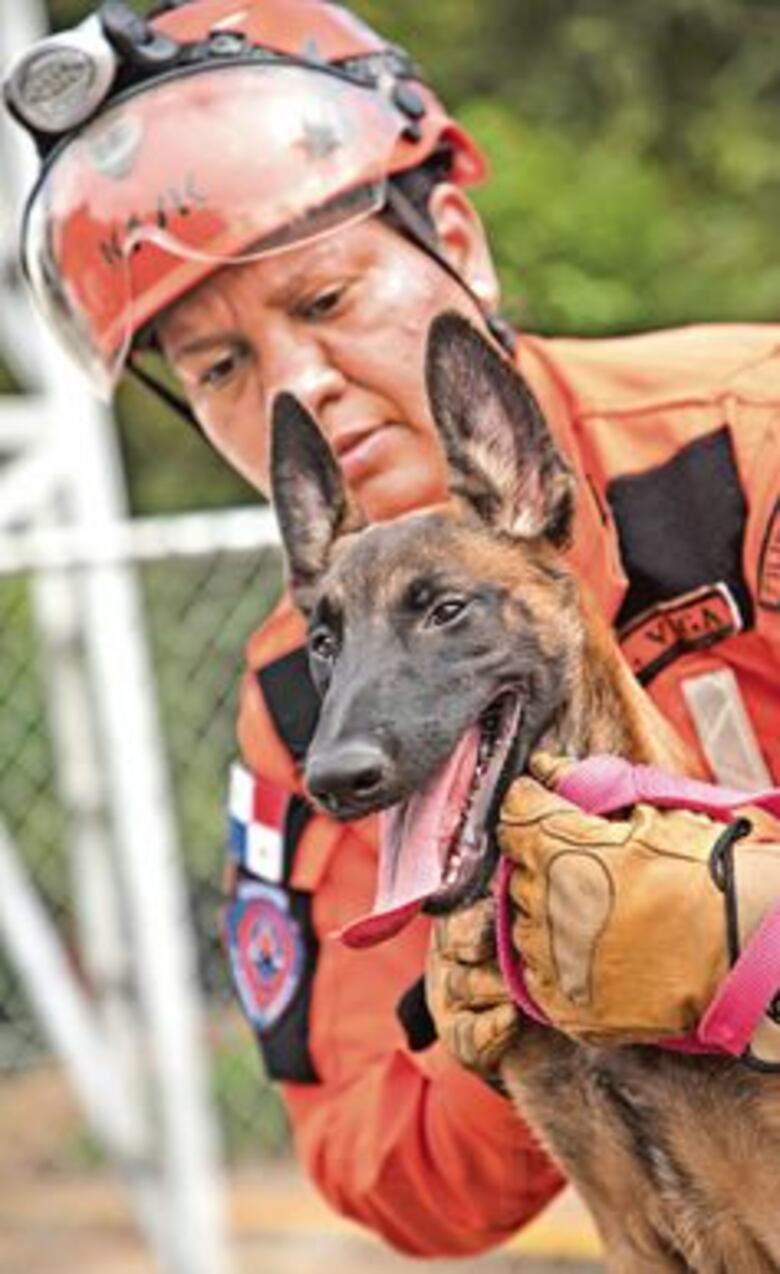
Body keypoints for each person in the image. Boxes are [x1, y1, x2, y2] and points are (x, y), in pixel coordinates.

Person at [6, 0, 780, 1258]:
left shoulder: (749, 440)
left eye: (324, 296)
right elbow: (381, 1165)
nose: (294, 385)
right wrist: (506, 1006)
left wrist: (752, 931)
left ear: (459, 244)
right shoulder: (307, 708)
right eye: (216, 369)